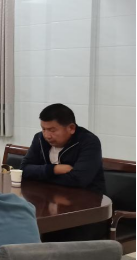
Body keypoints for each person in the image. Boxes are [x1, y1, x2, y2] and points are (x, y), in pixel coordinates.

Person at [20, 103, 107, 241]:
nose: (47, 135)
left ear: (71, 128)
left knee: (58, 242)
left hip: (86, 211)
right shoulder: (39, 139)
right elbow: (24, 169)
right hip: (49, 204)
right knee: (25, 231)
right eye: (43, 129)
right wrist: (54, 169)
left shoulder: (88, 141)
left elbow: (78, 180)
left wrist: (40, 175)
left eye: (52, 130)